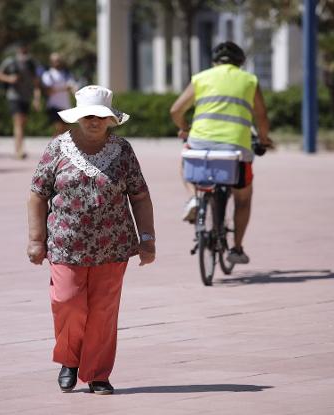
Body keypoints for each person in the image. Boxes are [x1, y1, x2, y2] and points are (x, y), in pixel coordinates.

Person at [27, 85, 156, 395]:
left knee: (103, 312)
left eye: (100, 116)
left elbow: (139, 195)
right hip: (66, 245)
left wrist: (147, 238)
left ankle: (97, 373)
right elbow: (37, 195)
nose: (94, 121)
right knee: (67, 302)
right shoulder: (58, 147)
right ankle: (70, 360)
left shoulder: (123, 150)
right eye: (88, 115)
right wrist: (36, 240)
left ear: (110, 119)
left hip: (112, 247)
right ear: (78, 117)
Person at [170, 41, 273, 265]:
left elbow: (176, 109)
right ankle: (236, 249)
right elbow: (261, 117)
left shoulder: (201, 78)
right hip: (235, 148)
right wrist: (264, 140)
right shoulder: (249, 80)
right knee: (243, 198)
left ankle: (193, 199)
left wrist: (185, 128)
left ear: (215, 62)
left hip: (200, 143)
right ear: (240, 62)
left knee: (185, 160)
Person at [0, 43, 41, 159]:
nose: (23, 54)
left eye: (25, 52)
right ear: (18, 51)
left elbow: (36, 83)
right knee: (18, 122)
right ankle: (19, 151)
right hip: (14, 96)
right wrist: (9, 79)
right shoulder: (10, 62)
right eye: (21, 51)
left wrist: (36, 99)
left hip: (26, 97)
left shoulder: (31, 64)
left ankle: (19, 148)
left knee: (23, 123)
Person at [41, 52, 77, 136]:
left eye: (58, 60)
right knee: (59, 128)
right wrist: (64, 88)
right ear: (51, 62)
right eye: (55, 60)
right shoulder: (48, 75)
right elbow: (48, 91)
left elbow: (73, 87)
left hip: (65, 107)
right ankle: (53, 148)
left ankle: (59, 148)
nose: (57, 62)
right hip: (54, 106)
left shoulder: (66, 74)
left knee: (66, 132)